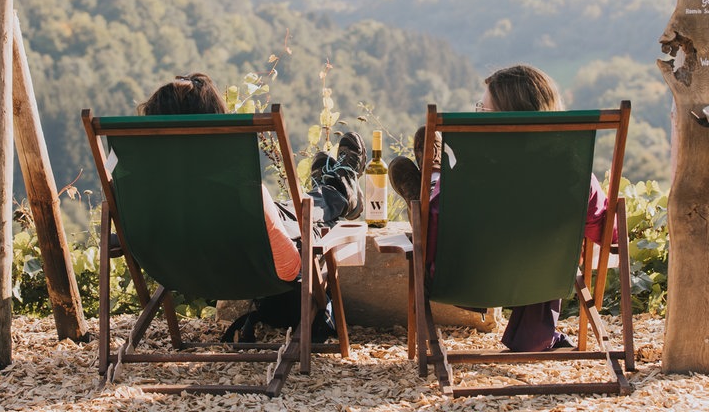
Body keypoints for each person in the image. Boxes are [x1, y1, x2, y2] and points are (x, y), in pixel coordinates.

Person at [388, 64, 615, 352]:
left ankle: (426, 185)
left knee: (428, 210)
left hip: (464, 280)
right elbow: (609, 233)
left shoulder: (469, 175)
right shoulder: (574, 176)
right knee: (536, 244)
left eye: (482, 111)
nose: (477, 116)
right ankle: (535, 337)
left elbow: (432, 238)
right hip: (541, 282)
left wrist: (418, 225)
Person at [136, 72, 367, 281]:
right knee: (300, 214)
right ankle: (339, 187)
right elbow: (287, 267)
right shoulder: (241, 189)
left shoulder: (141, 190)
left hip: (177, 271)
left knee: (285, 208)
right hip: (255, 262)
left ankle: (335, 188)